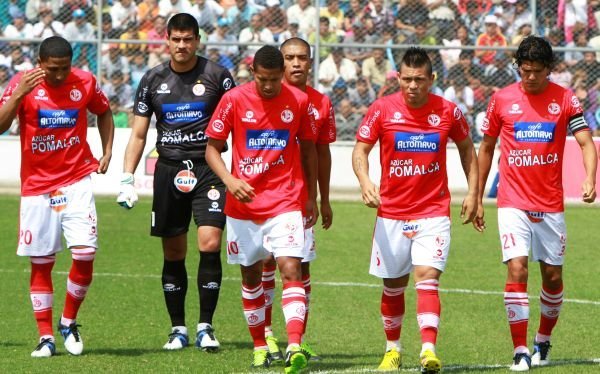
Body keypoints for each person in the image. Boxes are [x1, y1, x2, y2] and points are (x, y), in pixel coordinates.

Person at [351, 46, 478, 373]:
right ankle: (392, 349)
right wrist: (365, 181)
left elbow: (468, 151)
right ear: (398, 78)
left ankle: (428, 349)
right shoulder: (381, 109)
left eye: (419, 80)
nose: (412, 86)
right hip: (391, 212)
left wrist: (474, 193)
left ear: (431, 79)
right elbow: (360, 151)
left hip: (433, 211)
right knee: (392, 285)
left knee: (427, 277)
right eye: (406, 79)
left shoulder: (449, 112)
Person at [475, 35, 598, 372]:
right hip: (512, 200)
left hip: (550, 204)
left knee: (553, 278)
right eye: (524, 70)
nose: (529, 77)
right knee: (517, 268)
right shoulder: (501, 100)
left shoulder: (566, 100)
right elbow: (486, 148)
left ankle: (542, 340)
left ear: (549, 70)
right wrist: (475, 195)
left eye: (536, 71)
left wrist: (590, 178)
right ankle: (519, 351)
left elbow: (586, 143)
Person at [117, 13, 235, 352]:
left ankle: (206, 326)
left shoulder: (217, 76)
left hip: (207, 169)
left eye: (188, 39)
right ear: (166, 41)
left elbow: (237, 123)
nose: (182, 45)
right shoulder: (152, 79)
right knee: (174, 251)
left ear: (197, 40)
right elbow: (139, 134)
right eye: (176, 39)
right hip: (168, 171)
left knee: (210, 243)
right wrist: (127, 177)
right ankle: (178, 328)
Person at [204, 45, 318, 373]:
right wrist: (229, 180)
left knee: (291, 268)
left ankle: (294, 344)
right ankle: (259, 345)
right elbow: (212, 149)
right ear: (252, 72)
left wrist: (309, 196)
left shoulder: (298, 101)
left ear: (283, 74)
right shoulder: (234, 100)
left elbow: (308, 149)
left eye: (274, 79)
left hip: (286, 200)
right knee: (250, 275)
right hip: (244, 204)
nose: (268, 85)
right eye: (263, 79)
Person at [0, 36, 114, 357]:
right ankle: (46, 337)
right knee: (42, 263)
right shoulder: (21, 84)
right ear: (40, 64)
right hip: (37, 187)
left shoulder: (85, 81)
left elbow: (104, 112)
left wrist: (107, 151)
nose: (60, 76)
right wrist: (20, 93)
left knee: (85, 254)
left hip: (76, 181)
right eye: (53, 70)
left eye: (64, 68)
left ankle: (68, 322)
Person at [259, 37, 336, 363]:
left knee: (300, 265)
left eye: (301, 57)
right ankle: (265, 337)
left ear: (310, 61)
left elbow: (321, 152)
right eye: (289, 57)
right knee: (263, 264)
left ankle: (295, 341)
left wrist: (321, 197)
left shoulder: (320, 102)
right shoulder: (266, 97)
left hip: (298, 199)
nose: (295, 64)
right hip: (263, 196)